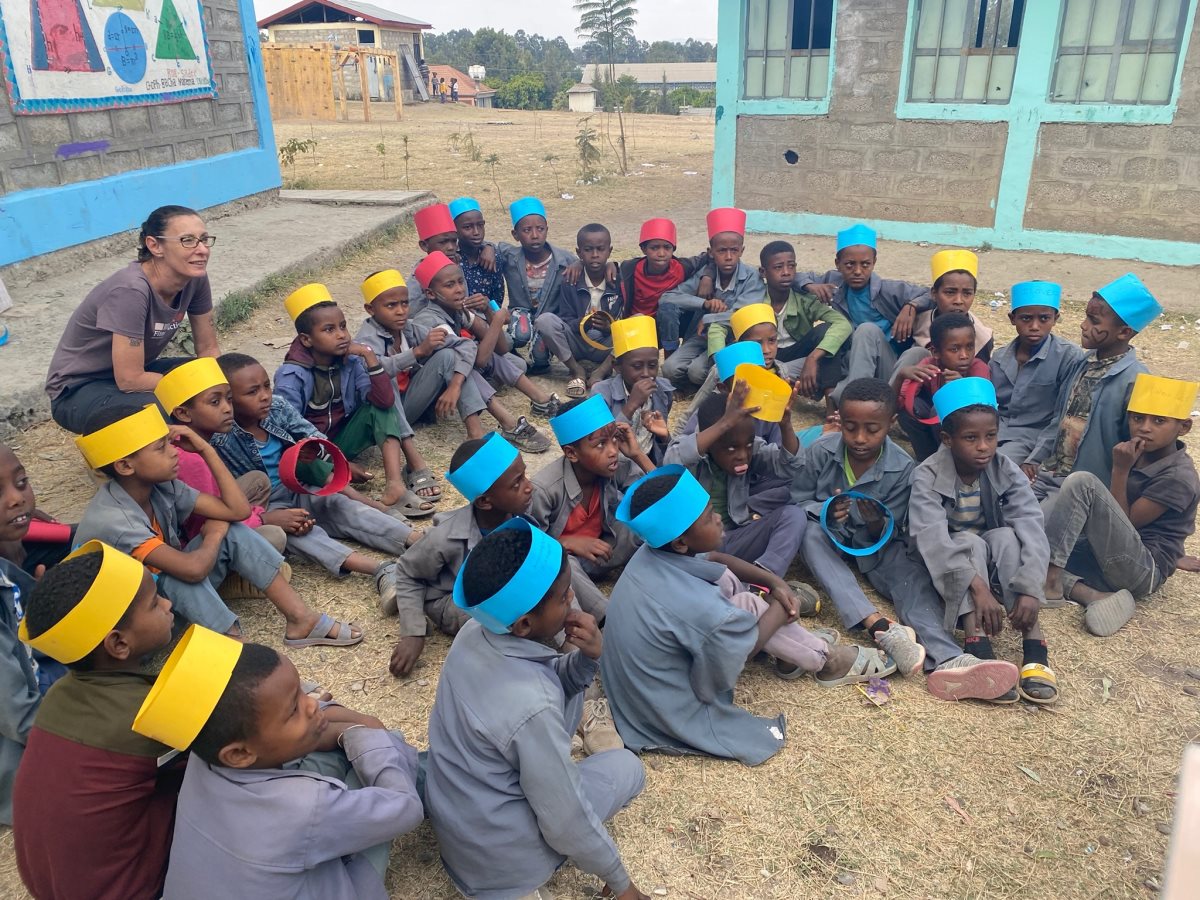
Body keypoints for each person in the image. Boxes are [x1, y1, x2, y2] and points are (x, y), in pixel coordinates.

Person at [604, 467, 897, 766]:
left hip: (639, 693)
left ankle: (793, 651)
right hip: (668, 709)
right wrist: (782, 606)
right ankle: (826, 660)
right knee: (754, 606)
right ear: (681, 542)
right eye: (709, 516)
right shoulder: (696, 605)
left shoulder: (657, 551)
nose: (718, 518)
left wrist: (774, 582)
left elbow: (714, 558)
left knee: (737, 590)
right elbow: (742, 651)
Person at [424, 519, 649, 900]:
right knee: (628, 767)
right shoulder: (533, 706)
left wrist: (587, 658)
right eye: (563, 597)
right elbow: (566, 820)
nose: (572, 600)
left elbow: (540, 681)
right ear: (525, 624)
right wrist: (621, 883)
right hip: (503, 864)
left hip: (459, 831)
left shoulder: (472, 633)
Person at [143, 629, 423, 899]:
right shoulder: (305, 808)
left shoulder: (204, 755)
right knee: (387, 751)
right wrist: (364, 736)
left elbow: (303, 720)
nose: (311, 704)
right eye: (293, 710)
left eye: (302, 691)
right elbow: (406, 807)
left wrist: (340, 726)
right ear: (238, 754)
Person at [792, 378, 1019, 701]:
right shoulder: (821, 451)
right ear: (839, 421)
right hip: (828, 538)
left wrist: (876, 525)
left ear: (891, 423)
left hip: (877, 547)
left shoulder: (903, 468)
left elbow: (898, 529)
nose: (860, 438)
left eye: (872, 429)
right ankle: (879, 626)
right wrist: (825, 511)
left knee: (911, 580)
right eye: (850, 428)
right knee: (809, 532)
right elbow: (797, 502)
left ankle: (948, 658)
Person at [74, 403, 360, 648]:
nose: (174, 452)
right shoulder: (116, 521)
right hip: (128, 629)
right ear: (125, 466)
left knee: (232, 531)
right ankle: (241, 658)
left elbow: (237, 511)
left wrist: (205, 449)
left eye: (169, 442)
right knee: (178, 575)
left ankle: (302, 620)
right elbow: (193, 569)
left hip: (160, 604)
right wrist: (214, 532)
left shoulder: (160, 487)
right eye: (161, 448)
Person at [13, 543, 181, 900]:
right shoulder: (147, 715)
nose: (168, 605)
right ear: (118, 644)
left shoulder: (61, 693)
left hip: (52, 885)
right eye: (154, 603)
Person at [909, 378, 1057, 705]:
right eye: (971, 438)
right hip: (944, 566)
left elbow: (1032, 526)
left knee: (1006, 536)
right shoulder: (927, 474)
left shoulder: (1005, 469)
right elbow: (931, 540)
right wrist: (978, 588)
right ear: (947, 439)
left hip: (989, 557)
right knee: (968, 542)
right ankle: (976, 641)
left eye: (991, 436)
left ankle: (1034, 643)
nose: (983, 447)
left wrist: (1031, 588)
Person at [1044, 374, 1200, 636]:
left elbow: (1126, 523)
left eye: (1158, 421)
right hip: (1110, 555)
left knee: (1083, 483)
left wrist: (1120, 470)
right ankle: (1091, 595)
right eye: (1137, 418)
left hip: (1142, 569)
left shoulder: (1178, 477)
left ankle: (1050, 581)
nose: (1144, 428)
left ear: (1184, 427)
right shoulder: (1139, 452)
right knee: (1025, 548)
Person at [45, 205, 220, 434]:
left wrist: (217, 383)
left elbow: (208, 349)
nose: (202, 250)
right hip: (78, 389)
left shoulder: (194, 279)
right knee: (169, 411)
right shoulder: (131, 290)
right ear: (155, 246)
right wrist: (188, 387)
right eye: (187, 240)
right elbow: (130, 379)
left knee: (223, 380)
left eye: (204, 239)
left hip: (136, 372)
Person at [274, 283, 435, 518]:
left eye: (343, 326)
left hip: (340, 441)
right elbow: (288, 432)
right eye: (329, 330)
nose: (341, 335)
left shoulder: (350, 361)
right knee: (299, 456)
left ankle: (395, 486)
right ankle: (370, 505)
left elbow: (383, 401)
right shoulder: (291, 375)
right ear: (307, 340)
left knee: (381, 409)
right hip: (309, 451)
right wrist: (337, 462)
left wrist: (369, 356)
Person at [386, 433, 534, 676]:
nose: (529, 486)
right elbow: (407, 572)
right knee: (499, 619)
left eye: (524, 475)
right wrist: (413, 632)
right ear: (485, 501)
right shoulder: (445, 537)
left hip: (497, 588)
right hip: (453, 599)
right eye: (517, 483)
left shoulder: (518, 511)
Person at [1027, 273, 1161, 501]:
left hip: (1083, 488)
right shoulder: (1082, 363)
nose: (1083, 325)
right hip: (1049, 473)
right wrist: (1035, 459)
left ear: (1124, 332)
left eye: (1094, 321)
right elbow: (1060, 419)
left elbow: (1135, 447)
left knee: (1037, 521)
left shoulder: (1136, 381)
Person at [665, 384, 813, 584]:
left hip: (733, 536)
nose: (742, 455)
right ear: (712, 440)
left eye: (748, 445)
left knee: (794, 515)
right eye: (731, 448)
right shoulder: (692, 451)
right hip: (698, 548)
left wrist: (785, 425)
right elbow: (672, 461)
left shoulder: (746, 445)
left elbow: (791, 467)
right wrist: (724, 423)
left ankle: (762, 579)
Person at [410, 250, 556, 451]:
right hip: (425, 397)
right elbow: (476, 360)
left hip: (449, 385)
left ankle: (541, 400)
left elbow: (501, 349)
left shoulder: (456, 311)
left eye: (460, 282)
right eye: (450, 285)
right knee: (462, 363)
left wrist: (488, 311)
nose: (459, 289)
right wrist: (497, 320)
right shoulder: (428, 319)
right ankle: (507, 424)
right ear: (430, 294)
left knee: (484, 355)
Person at [531, 395, 655, 623]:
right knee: (561, 562)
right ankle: (608, 620)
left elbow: (659, 497)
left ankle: (661, 583)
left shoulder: (616, 466)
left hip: (602, 551)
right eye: (600, 444)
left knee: (646, 522)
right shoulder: (545, 488)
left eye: (615, 439)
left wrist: (637, 454)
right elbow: (529, 547)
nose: (613, 451)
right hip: (566, 571)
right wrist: (566, 543)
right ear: (572, 453)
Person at [153, 357, 289, 556]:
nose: (227, 408)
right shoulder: (190, 459)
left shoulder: (196, 442)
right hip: (200, 539)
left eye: (229, 399)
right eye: (215, 402)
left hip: (221, 511)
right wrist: (264, 519)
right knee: (274, 535)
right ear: (183, 414)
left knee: (257, 480)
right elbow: (207, 521)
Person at [793, 223, 931, 403]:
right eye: (850, 264)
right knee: (791, 369)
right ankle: (847, 396)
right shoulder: (834, 282)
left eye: (865, 264)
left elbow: (930, 294)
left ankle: (856, 400)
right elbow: (794, 276)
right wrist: (810, 285)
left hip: (887, 369)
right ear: (838, 264)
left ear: (874, 263)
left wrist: (911, 306)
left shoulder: (890, 290)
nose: (858, 271)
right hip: (851, 362)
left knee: (867, 330)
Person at [356, 268, 491, 449]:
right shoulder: (366, 339)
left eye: (405, 303)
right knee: (387, 379)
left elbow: (466, 345)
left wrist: (455, 385)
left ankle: (476, 434)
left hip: (411, 402)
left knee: (448, 355)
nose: (401, 311)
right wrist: (417, 352)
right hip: (386, 414)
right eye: (391, 306)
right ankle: (407, 445)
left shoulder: (409, 328)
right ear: (370, 309)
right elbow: (377, 370)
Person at [661, 207, 762, 388]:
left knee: (697, 372)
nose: (728, 257)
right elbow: (667, 298)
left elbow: (742, 315)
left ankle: (706, 382)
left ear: (742, 250)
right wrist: (705, 303)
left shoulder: (751, 277)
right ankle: (692, 385)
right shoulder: (704, 275)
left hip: (731, 338)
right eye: (722, 251)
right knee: (669, 368)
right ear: (711, 252)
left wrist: (709, 318)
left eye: (734, 250)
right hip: (700, 336)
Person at [990, 281, 1087, 462]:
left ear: (1055, 319)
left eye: (1044, 319)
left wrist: (1034, 459)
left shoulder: (1068, 357)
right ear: (1012, 319)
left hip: (1033, 437)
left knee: (996, 464)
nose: (1035, 326)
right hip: (995, 430)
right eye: (1026, 318)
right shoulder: (999, 358)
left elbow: (1062, 416)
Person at [758, 241, 852, 401]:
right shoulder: (755, 298)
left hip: (796, 353)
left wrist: (812, 358)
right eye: (778, 267)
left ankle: (831, 404)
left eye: (791, 266)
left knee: (827, 335)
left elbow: (843, 324)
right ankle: (781, 381)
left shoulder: (804, 299)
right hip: (764, 355)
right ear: (763, 272)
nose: (786, 272)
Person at [496, 196, 580, 370]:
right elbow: (486, 245)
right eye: (527, 230)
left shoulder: (565, 261)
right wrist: (487, 249)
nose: (534, 235)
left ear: (547, 230)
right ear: (515, 235)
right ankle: (513, 353)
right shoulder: (509, 256)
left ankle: (538, 360)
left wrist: (581, 263)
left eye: (540, 229)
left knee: (540, 358)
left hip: (549, 318)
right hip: (521, 314)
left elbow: (590, 264)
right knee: (520, 332)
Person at [894, 311, 990, 461]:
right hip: (936, 431)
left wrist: (962, 388)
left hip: (969, 438)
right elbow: (897, 404)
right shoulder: (929, 366)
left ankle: (953, 461)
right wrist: (901, 377)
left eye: (970, 347)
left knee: (939, 408)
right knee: (909, 409)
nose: (964, 355)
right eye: (954, 349)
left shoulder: (978, 368)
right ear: (935, 352)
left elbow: (985, 410)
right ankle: (926, 458)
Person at [540, 223, 623, 397]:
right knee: (545, 321)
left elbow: (626, 319)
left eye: (600, 249)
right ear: (579, 253)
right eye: (588, 250)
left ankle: (601, 372)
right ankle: (577, 370)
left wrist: (610, 327)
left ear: (609, 251)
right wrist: (583, 323)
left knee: (636, 323)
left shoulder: (618, 280)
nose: (595, 255)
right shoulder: (570, 281)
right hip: (577, 343)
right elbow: (566, 318)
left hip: (607, 345)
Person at [616, 217, 712, 354]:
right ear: (643, 249)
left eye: (667, 247)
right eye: (654, 248)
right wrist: (609, 265)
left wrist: (707, 276)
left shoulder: (682, 267)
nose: (661, 254)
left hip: (670, 324)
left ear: (673, 249)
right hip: (637, 325)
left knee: (668, 309)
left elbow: (712, 255)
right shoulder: (629, 269)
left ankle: (670, 356)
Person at [590, 316, 673, 464]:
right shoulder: (601, 394)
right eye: (637, 366)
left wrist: (665, 437)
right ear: (616, 366)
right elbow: (600, 442)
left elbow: (661, 440)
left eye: (652, 365)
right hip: (614, 467)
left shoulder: (664, 390)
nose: (646, 373)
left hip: (649, 464)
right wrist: (631, 406)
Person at [902, 249, 994, 363]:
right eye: (950, 292)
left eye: (967, 293)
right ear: (934, 293)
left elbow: (979, 370)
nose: (959, 301)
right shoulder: (916, 322)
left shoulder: (983, 338)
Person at [448, 196, 505, 307]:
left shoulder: (493, 256)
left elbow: (497, 299)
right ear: (454, 229)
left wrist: (489, 310)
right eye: (467, 227)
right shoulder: (451, 257)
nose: (476, 232)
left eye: (480, 225)